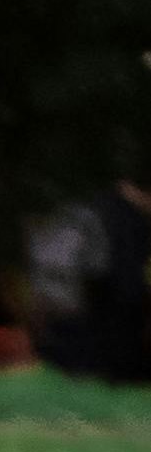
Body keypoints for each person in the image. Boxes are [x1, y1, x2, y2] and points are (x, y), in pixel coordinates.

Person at [51, 164, 151, 386]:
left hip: (65, 338)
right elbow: (128, 289)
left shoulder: (90, 208)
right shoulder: (129, 221)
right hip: (112, 347)